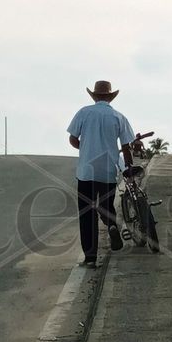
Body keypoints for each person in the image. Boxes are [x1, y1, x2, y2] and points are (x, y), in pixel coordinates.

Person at [68, 80, 135, 267]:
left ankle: (90, 258)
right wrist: (128, 166)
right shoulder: (118, 117)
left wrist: (85, 147)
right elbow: (126, 146)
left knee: (87, 213)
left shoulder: (84, 112)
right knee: (106, 206)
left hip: (86, 171)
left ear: (95, 96)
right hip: (107, 171)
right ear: (110, 97)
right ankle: (112, 224)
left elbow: (73, 139)